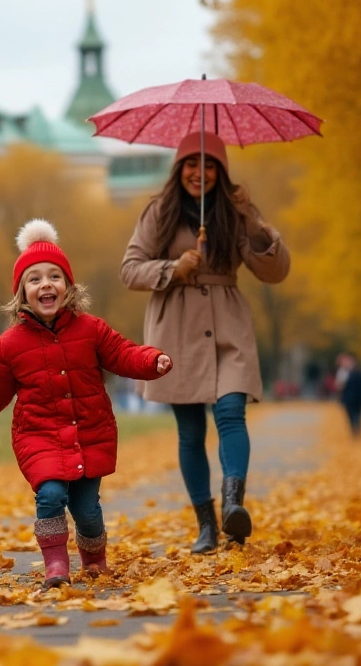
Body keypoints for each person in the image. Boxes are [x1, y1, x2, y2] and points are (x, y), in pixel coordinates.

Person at [0, 220, 172, 589]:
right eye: (34, 279)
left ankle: (94, 559)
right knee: (50, 494)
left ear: (68, 287)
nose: (46, 284)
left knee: (87, 509)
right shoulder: (8, 346)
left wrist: (151, 360)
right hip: (39, 435)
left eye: (54, 277)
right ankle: (56, 564)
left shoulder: (91, 329)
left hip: (89, 433)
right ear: (21, 294)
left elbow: (123, 354)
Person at [121, 131, 290, 554]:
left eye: (210, 165)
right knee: (190, 431)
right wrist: (173, 268)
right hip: (176, 327)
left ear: (222, 171)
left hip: (228, 324)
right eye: (193, 165)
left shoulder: (236, 211)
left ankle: (234, 506)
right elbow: (130, 270)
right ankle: (206, 525)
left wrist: (253, 221)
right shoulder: (159, 212)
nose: (201, 173)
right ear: (180, 169)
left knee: (231, 412)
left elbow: (274, 272)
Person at [336, 353, 361, 438]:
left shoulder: (360, 374)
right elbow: (339, 387)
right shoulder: (343, 373)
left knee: (357, 414)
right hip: (348, 398)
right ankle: (354, 429)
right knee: (351, 415)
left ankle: (356, 428)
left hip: (359, 398)